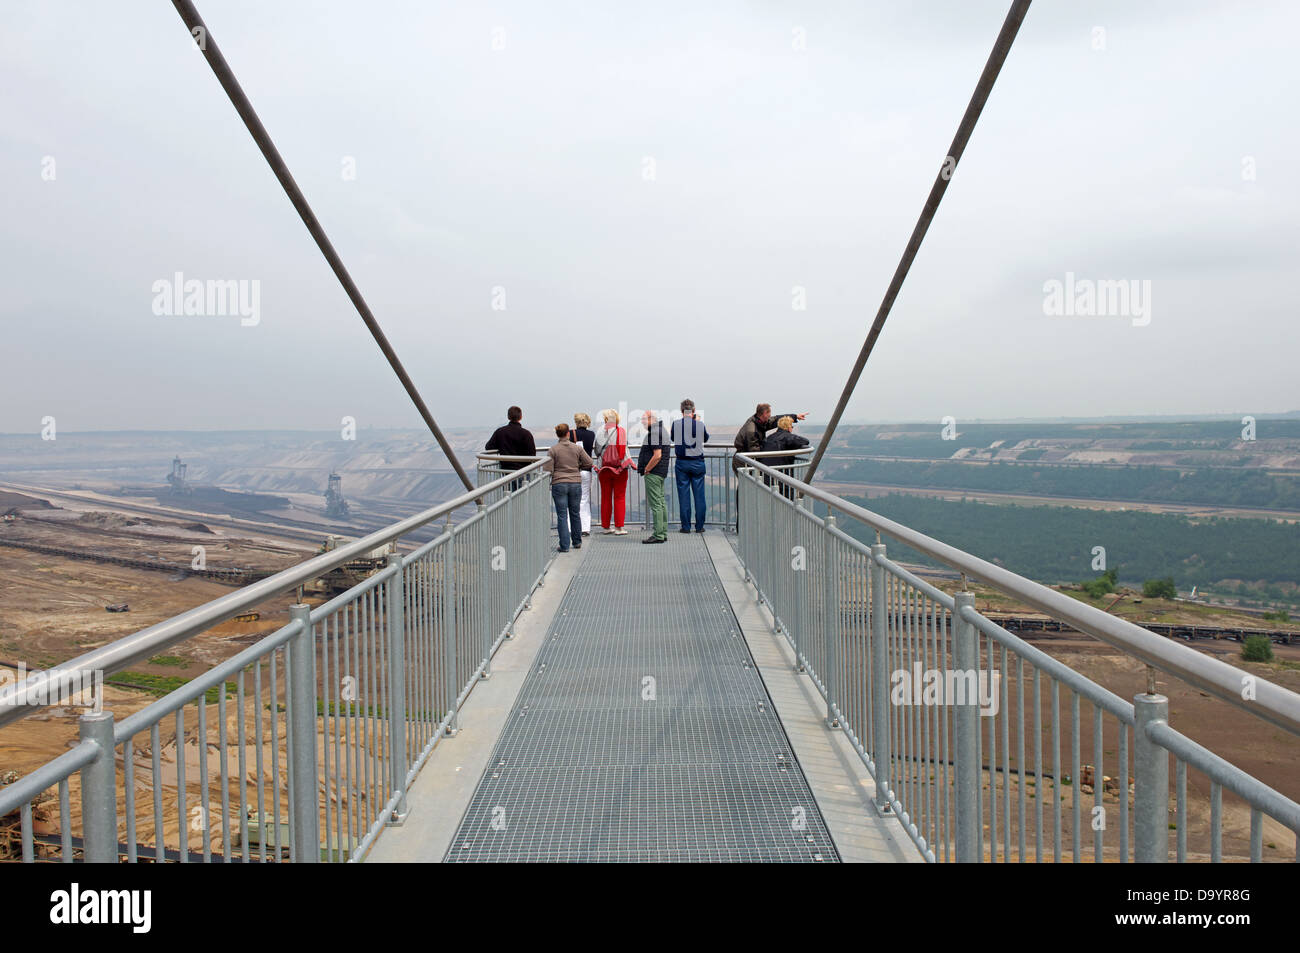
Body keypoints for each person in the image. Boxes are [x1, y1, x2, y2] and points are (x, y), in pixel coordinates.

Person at [733, 403, 807, 515]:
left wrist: (795, 416)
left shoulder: (760, 421)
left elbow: (776, 419)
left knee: (750, 491)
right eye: (769, 413)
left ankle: (747, 522)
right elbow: (754, 453)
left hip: (748, 461)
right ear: (764, 414)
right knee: (745, 491)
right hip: (744, 463)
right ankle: (743, 522)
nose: (770, 416)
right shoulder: (751, 430)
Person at [544, 423, 592, 553]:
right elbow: (589, 462)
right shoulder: (577, 449)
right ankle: (577, 541)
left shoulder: (553, 450)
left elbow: (547, 469)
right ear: (568, 433)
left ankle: (564, 545)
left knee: (562, 515)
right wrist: (578, 467)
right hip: (575, 482)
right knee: (575, 513)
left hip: (559, 483)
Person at [670, 399, 710, 533]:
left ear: (682, 411)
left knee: (684, 496)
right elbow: (705, 438)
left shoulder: (676, 424)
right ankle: (699, 527)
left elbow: (673, 438)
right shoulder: (699, 424)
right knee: (699, 497)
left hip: (682, 463)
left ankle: (686, 527)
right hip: (698, 463)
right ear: (693, 411)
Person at [592, 409, 634, 535]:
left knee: (605, 497)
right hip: (619, 469)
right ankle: (619, 527)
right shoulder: (621, 431)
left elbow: (597, 451)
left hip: (604, 469)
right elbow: (623, 451)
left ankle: (605, 527)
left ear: (605, 419)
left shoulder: (599, 432)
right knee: (619, 497)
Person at [638, 410, 671, 544]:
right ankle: (662, 532)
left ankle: (658, 534)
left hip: (654, 473)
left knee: (656, 504)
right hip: (660, 472)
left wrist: (647, 468)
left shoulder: (655, 433)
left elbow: (657, 455)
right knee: (661, 502)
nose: (642, 422)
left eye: (644, 419)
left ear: (651, 419)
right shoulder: (662, 430)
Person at [485, 405, 536, 491]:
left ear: (508, 417)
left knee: (509, 498)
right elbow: (532, 455)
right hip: (523, 471)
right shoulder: (526, 434)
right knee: (523, 498)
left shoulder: (500, 432)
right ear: (521, 417)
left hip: (507, 472)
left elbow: (488, 447)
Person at [762, 416, 810, 500]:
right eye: (792, 426)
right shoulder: (787, 437)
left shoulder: (769, 438)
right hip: (782, 477)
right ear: (788, 427)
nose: (792, 428)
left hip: (766, 476)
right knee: (786, 501)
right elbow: (804, 441)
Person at [570, 412, 596, 537]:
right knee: (584, 499)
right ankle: (585, 528)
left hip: (573, 470)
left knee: (572, 499)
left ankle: (572, 527)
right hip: (587, 470)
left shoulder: (571, 434)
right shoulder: (591, 434)